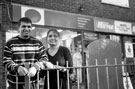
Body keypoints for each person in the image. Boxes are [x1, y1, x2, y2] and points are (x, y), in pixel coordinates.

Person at [3, 17, 54, 89]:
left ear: (31, 28)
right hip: (15, 85)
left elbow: (44, 59)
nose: (26, 29)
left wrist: (36, 66)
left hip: (33, 84)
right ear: (19, 28)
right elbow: (6, 61)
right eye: (23, 26)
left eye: (29, 26)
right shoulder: (10, 43)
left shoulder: (38, 43)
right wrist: (17, 68)